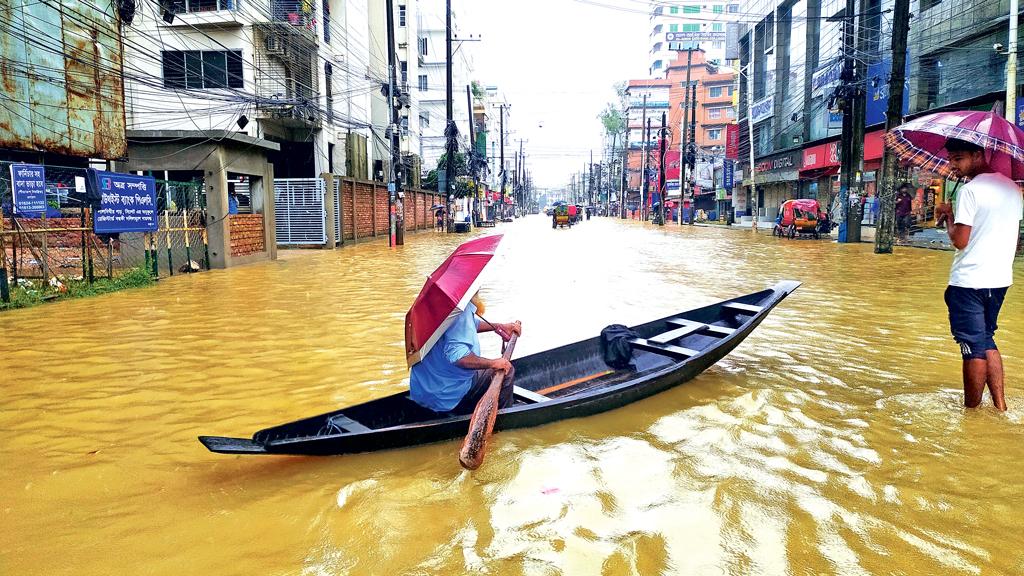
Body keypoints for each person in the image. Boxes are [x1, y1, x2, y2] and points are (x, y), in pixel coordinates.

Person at [933, 138, 1022, 411]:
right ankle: (1000, 406)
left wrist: (948, 217)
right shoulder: (1012, 188)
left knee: (972, 346)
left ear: (977, 154)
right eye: (951, 159)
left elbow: (960, 240)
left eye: (958, 159)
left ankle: (970, 411)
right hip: (999, 279)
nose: (953, 166)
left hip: (968, 281)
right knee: (986, 338)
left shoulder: (970, 191)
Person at [409, 292, 523, 414]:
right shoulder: (460, 310)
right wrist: (493, 363)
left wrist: (498, 327)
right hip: (446, 396)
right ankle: (502, 421)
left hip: (421, 392)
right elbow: (459, 357)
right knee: (507, 371)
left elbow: (470, 323)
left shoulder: (436, 304)